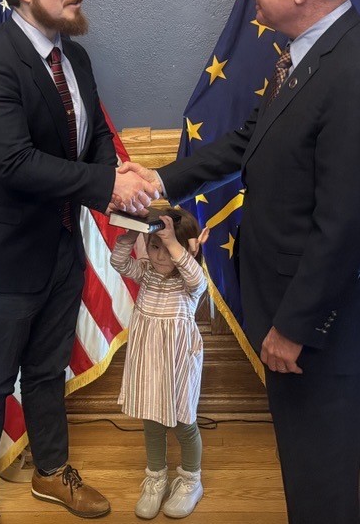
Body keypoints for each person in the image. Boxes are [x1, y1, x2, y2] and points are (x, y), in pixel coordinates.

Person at [120, 0, 360, 523]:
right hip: (294, 314)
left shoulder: (359, 76)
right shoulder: (306, 56)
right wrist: (162, 177)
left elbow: (347, 228)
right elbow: (251, 138)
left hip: (321, 332)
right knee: (305, 473)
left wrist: (295, 326)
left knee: (322, 489)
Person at [0, 0, 157, 524]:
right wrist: (105, 183)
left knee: (46, 370)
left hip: (62, 247)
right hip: (1, 254)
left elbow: (84, 148)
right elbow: (13, 162)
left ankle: (49, 472)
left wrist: (122, 187)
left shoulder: (77, 58)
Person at [110, 206, 208, 519]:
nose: (159, 256)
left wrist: (174, 243)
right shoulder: (146, 273)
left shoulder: (190, 283)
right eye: (154, 247)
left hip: (178, 365)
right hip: (147, 362)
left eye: (167, 249)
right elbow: (118, 261)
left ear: (186, 249)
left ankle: (191, 480)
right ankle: (155, 478)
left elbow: (194, 274)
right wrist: (133, 233)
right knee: (151, 422)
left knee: (183, 423)